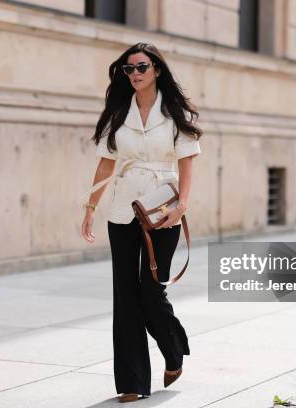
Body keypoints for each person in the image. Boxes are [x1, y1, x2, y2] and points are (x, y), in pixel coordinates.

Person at [79, 42, 202, 403]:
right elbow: (105, 163)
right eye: (128, 69)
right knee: (125, 295)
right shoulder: (119, 112)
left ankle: (173, 344)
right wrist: (90, 206)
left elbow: (188, 161)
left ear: (157, 70)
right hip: (122, 208)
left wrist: (182, 205)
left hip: (161, 210)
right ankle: (132, 382)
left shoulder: (176, 112)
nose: (134, 74)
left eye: (141, 67)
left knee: (151, 290)